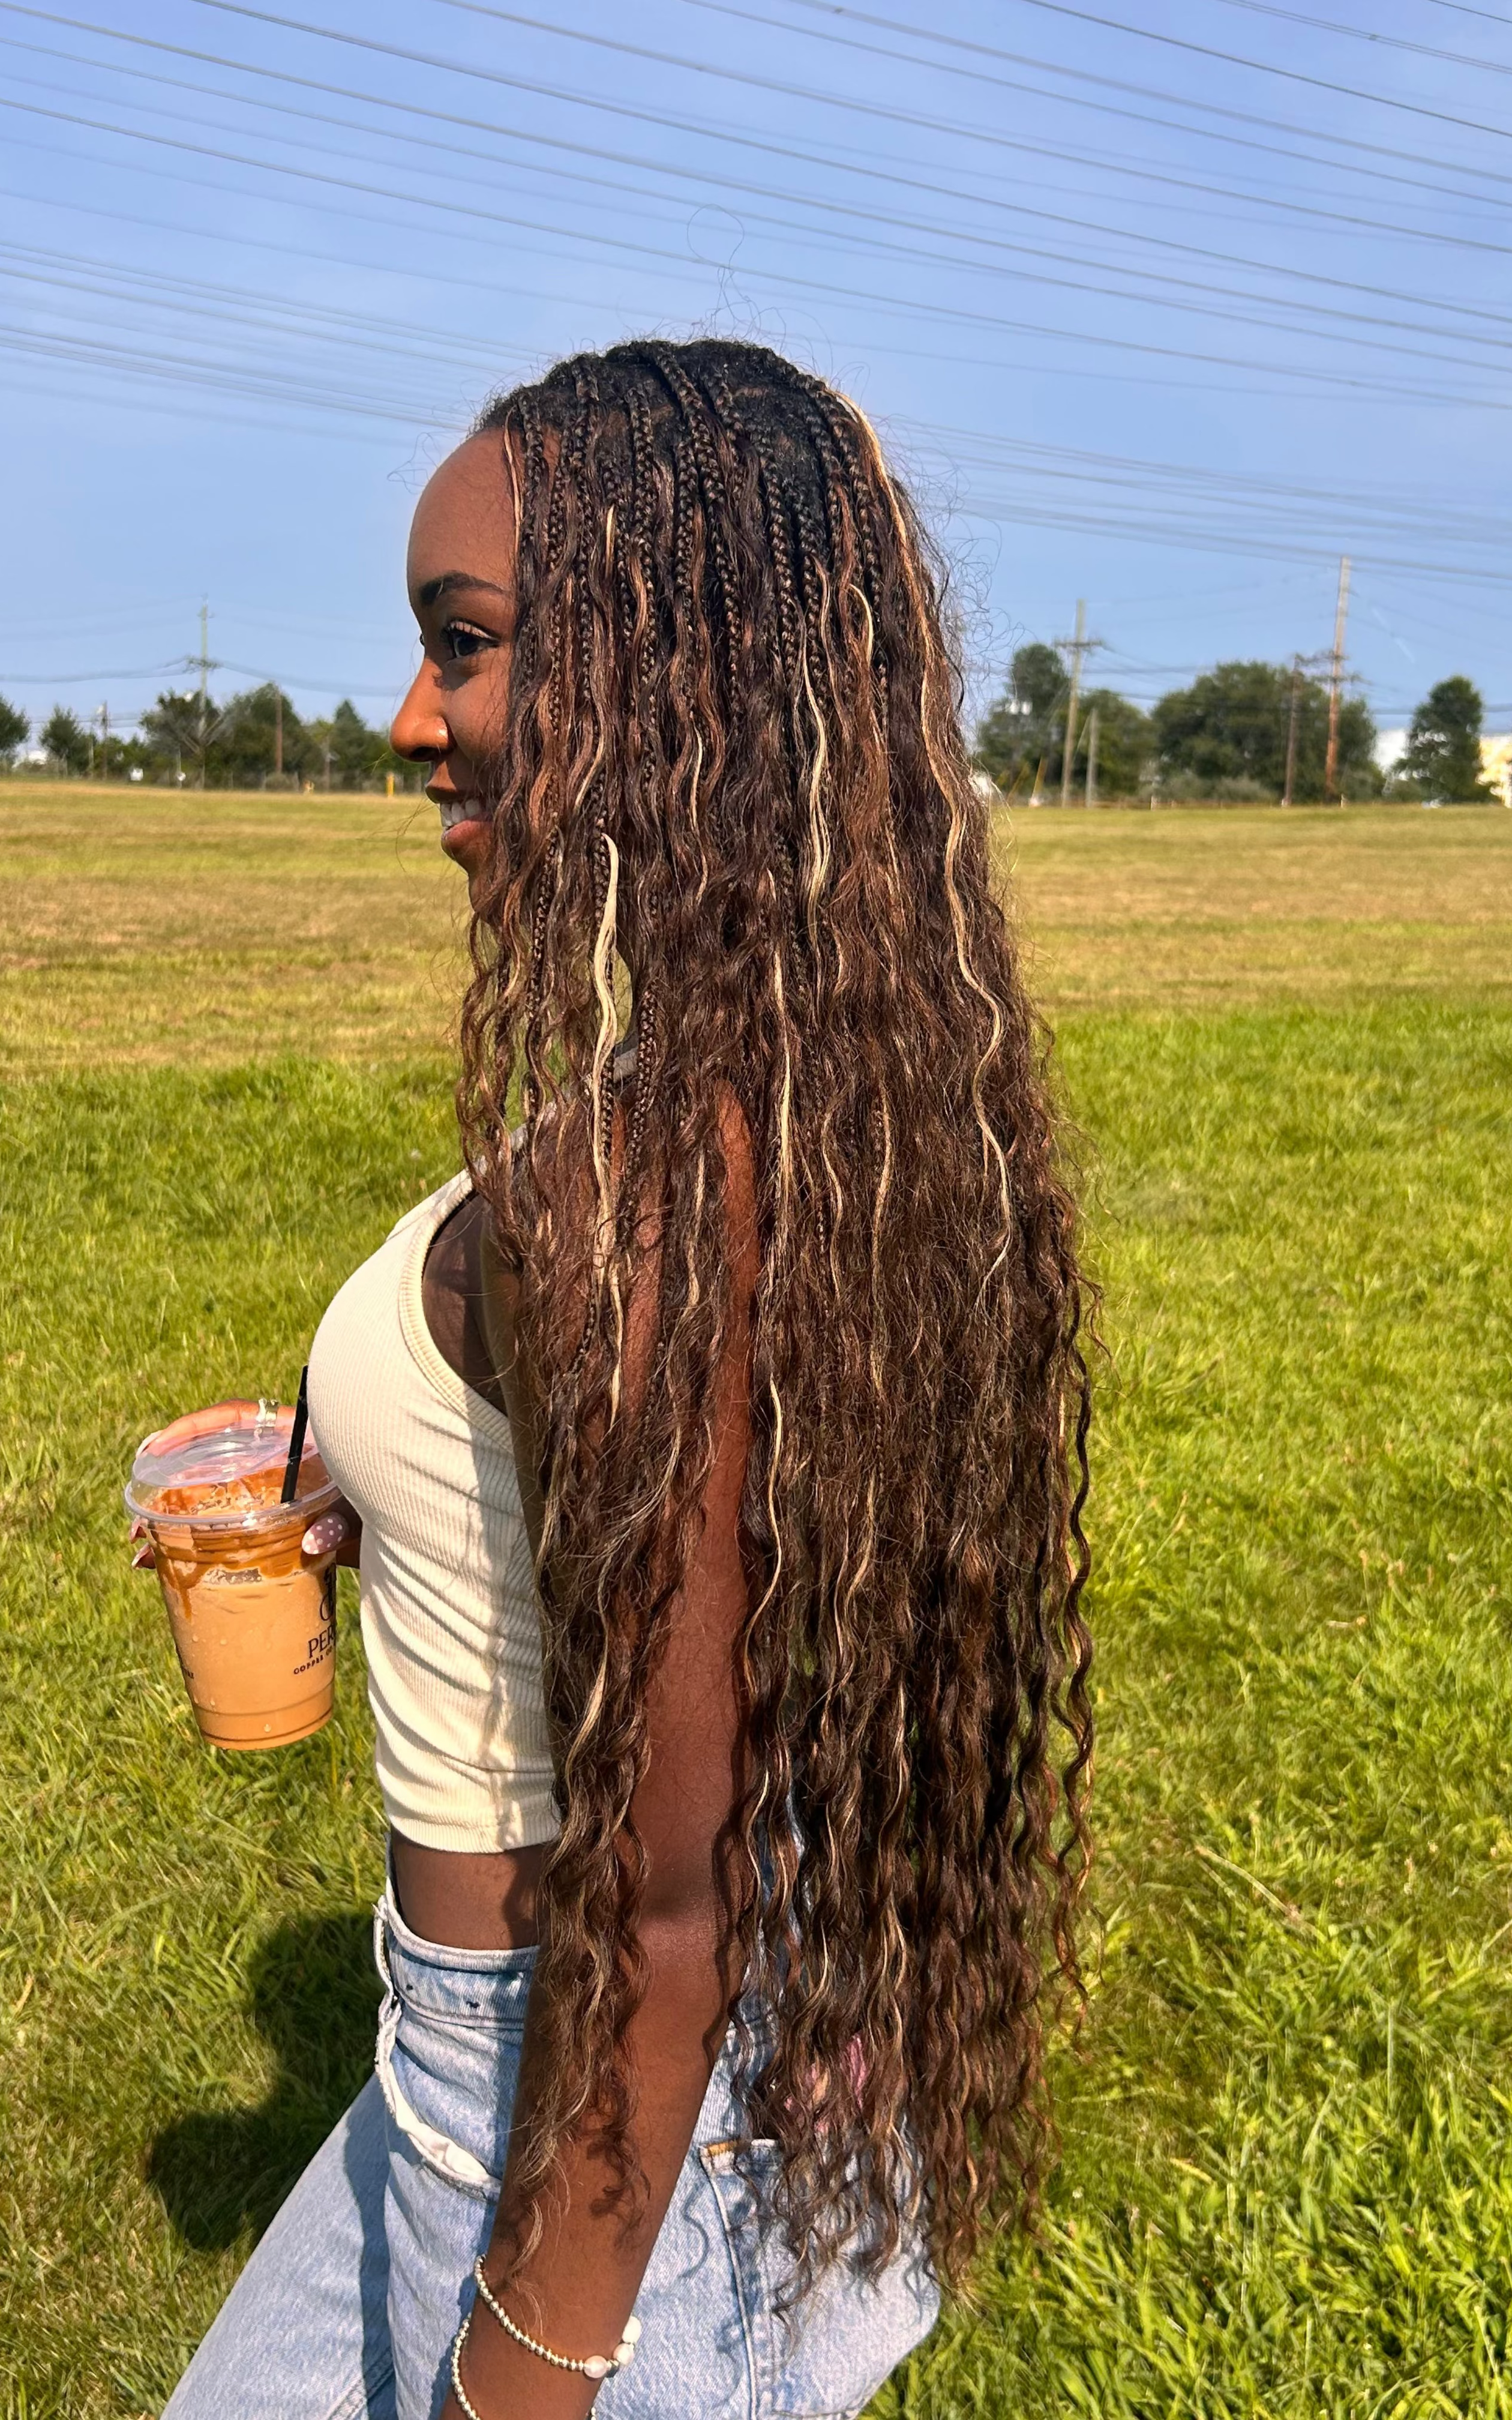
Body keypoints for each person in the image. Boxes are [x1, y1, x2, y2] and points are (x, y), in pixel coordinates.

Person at [161, 340, 1094, 2420]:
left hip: (563, 2099)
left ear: (676, 682)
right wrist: (390, 1489)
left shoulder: (647, 1194)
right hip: (609, 2059)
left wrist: (539, 2352)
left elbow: (660, 1919)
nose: (415, 720)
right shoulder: (840, 1110)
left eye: (463, 647)